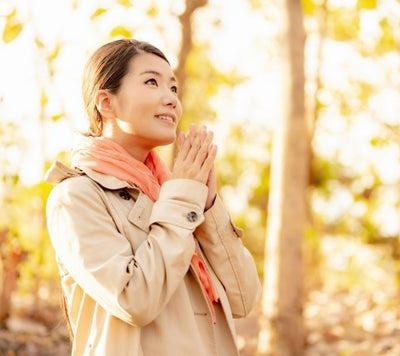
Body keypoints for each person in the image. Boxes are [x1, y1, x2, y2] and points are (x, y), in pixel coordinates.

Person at [44, 38, 261, 356]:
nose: (171, 99)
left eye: (173, 88)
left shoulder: (172, 194)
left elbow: (244, 298)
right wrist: (183, 199)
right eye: (151, 82)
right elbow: (134, 300)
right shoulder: (75, 197)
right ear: (106, 103)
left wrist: (209, 206)